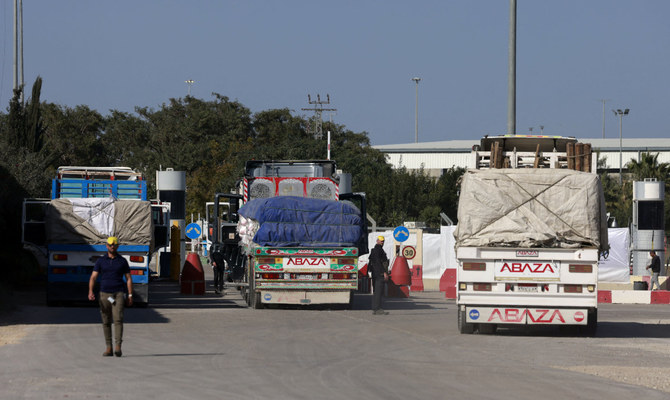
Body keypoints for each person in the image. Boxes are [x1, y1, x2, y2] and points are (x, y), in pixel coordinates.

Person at [88, 236, 133, 357]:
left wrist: (130, 294)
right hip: (104, 295)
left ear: (117, 246)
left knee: (118, 319)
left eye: (114, 244)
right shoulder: (101, 261)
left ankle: (118, 346)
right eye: (110, 244)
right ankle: (109, 347)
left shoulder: (122, 261)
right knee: (106, 321)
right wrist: (90, 291)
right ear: (106, 246)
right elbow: (93, 277)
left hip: (118, 293)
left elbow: (128, 278)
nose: (112, 246)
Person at [368, 235, 390, 315]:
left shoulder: (375, 250)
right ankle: (377, 309)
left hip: (375, 273)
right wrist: (383, 272)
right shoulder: (378, 250)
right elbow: (377, 262)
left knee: (376, 291)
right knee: (378, 291)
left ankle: (375, 308)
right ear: (377, 241)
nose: (382, 242)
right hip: (378, 274)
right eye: (381, 241)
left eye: (383, 241)